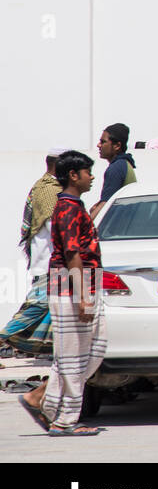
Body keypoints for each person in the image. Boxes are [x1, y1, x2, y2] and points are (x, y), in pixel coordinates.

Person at [21, 151, 107, 436]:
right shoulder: (68, 208)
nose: (91, 177)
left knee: (91, 352)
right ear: (73, 175)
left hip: (83, 283)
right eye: (87, 172)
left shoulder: (74, 205)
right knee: (73, 357)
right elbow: (71, 253)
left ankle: (44, 400)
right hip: (72, 286)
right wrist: (82, 295)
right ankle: (65, 420)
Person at [1, 148, 65, 359]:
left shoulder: (48, 187)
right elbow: (54, 227)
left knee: (53, 312)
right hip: (49, 262)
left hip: (51, 261)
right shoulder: (49, 191)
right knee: (35, 308)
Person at [89, 123, 136, 221]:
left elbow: (106, 204)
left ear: (117, 146)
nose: (99, 145)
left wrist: (84, 226)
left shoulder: (116, 167)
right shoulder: (124, 163)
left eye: (103, 142)